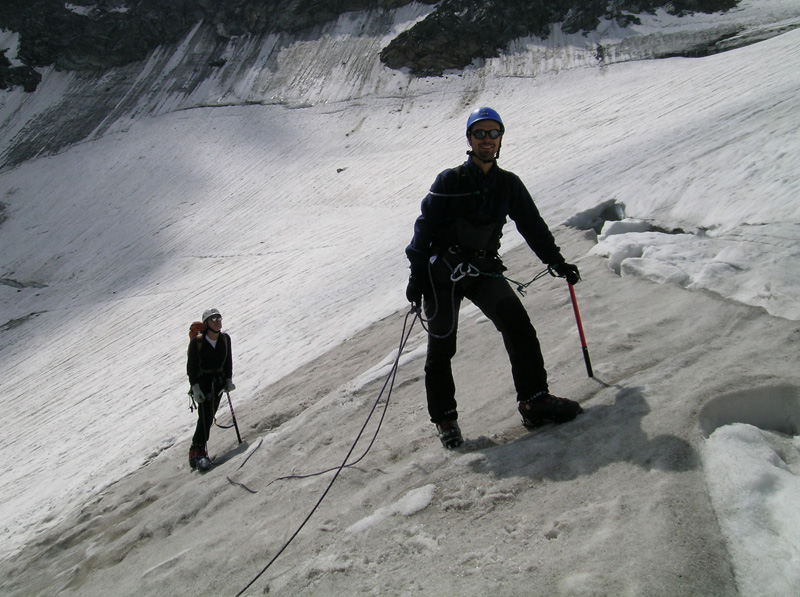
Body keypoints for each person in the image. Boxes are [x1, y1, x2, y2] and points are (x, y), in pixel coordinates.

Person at [405, 107, 584, 449]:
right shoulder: (449, 181)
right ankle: (445, 419)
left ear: (501, 138)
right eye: (480, 133)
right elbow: (423, 229)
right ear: (469, 139)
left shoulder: (509, 185)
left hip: (483, 269)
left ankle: (534, 400)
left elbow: (532, 227)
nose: (487, 140)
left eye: (493, 133)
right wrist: (417, 276)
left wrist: (556, 261)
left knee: (518, 325)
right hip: (442, 273)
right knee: (442, 346)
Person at [187, 308, 235, 470]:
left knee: (208, 415)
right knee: (205, 416)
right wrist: (195, 388)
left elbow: (228, 362)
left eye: (219, 318)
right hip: (204, 384)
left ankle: (197, 452)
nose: (217, 321)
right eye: (213, 319)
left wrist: (228, 379)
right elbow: (191, 367)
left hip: (219, 383)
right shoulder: (198, 342)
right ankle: (198, 451)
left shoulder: (225, 339)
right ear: (206, 323)